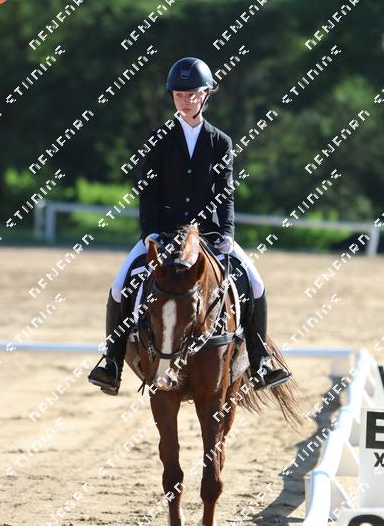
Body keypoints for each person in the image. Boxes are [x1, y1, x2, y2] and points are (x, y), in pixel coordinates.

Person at [88, 56, 290, 395]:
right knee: (119, 285)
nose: (186, 100)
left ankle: (260, 360)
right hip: (163, 233)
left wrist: (227, 234)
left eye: (192, 94)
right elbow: (148, 191)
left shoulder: (220, 142)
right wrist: (150, 233)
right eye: (179, 94)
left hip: (209, 234)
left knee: (255, 283)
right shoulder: (159, 138)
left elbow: (225, 193)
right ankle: (112, 361)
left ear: (206, 95)